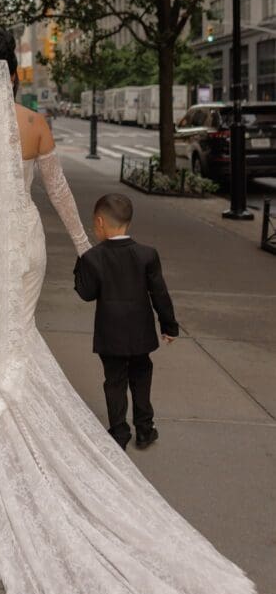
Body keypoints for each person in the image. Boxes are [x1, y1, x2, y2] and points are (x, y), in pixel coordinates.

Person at [0, 28, 269, 594]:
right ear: (15, 74)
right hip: (22, 242)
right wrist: (86, 248)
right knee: (17, 330)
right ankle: (13, 393)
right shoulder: (35, 125)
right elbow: (56, 191)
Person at [74, 192, 179, 451]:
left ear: (100, 222)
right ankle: (144, 429)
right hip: (140, 332)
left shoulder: (93, 257)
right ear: (128, 222)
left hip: (110, 335)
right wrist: (169, 326)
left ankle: (119, 431)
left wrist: (81, 262)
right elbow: (159, 293)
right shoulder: (147, 255)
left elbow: (86, 293)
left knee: (115, 381)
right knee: (141, 376)